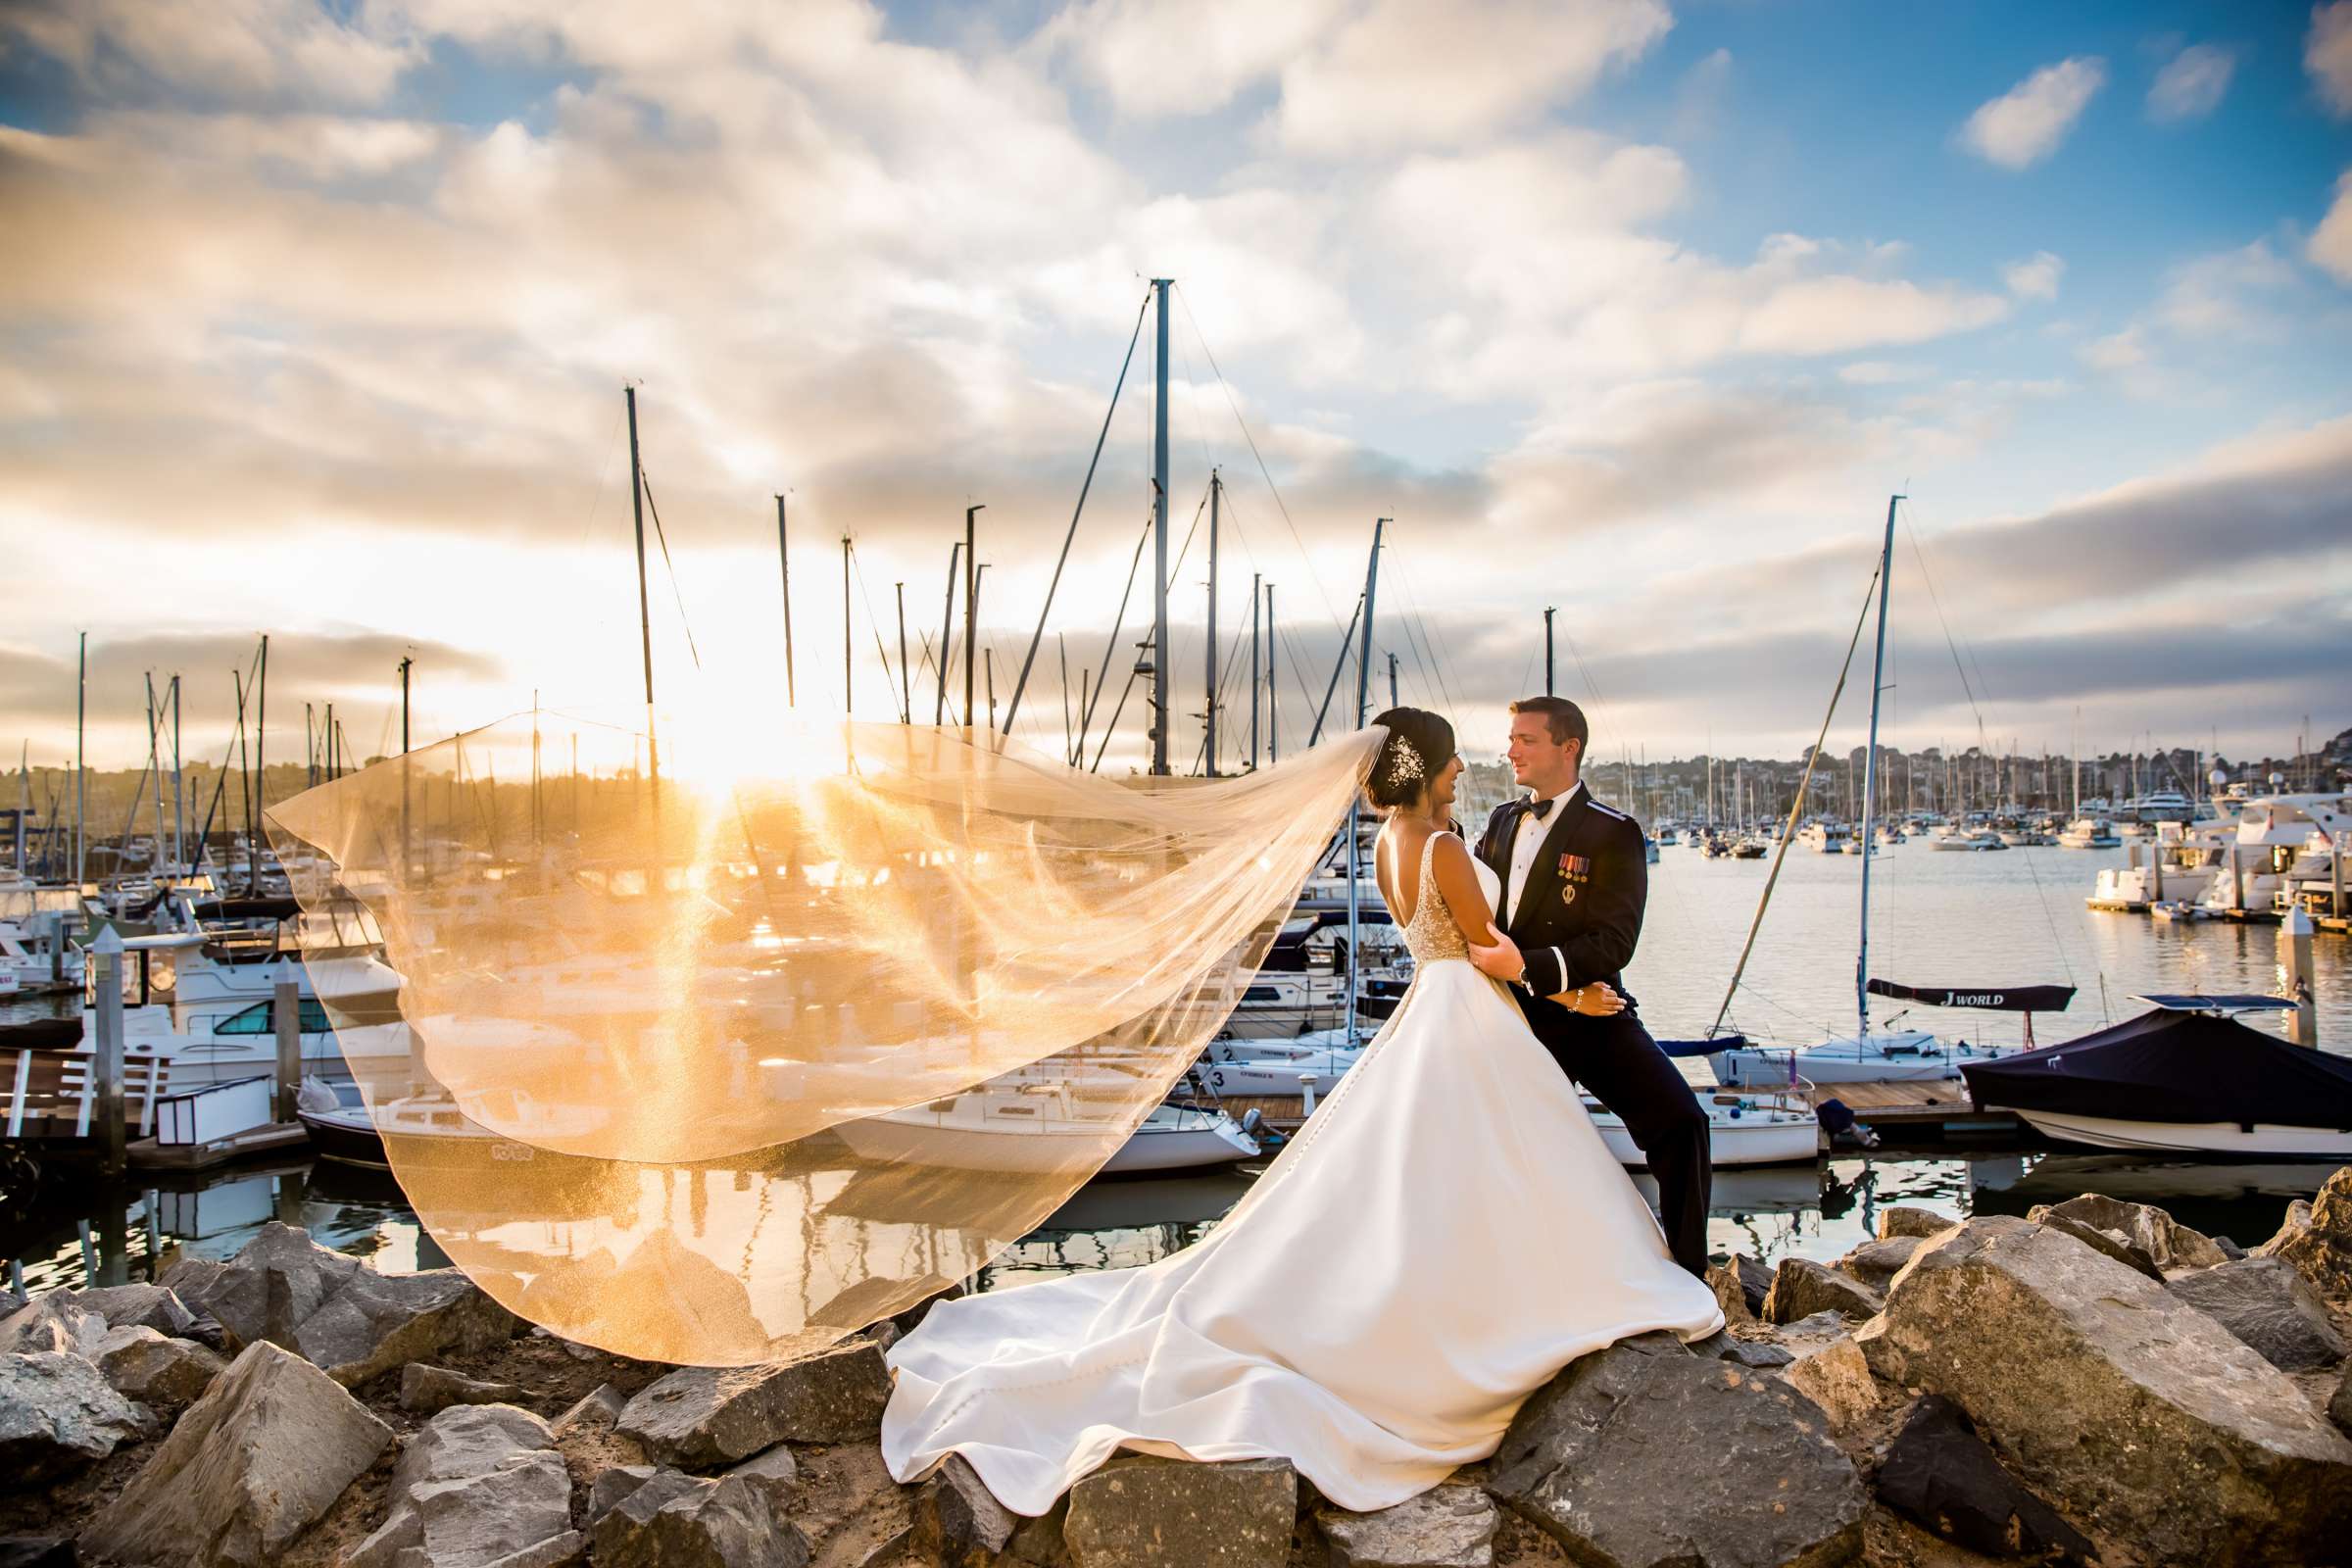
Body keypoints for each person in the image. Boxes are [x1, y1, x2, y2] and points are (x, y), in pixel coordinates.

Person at [880, 707, 1724, 1517]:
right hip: (1470, 1010)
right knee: (1494, 1163)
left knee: (1436, 1173)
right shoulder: (1447, 847)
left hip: (1433, 1013)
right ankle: (1509, 1306)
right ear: (1426, 768)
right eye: (1456, 756)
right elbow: (1484, 952)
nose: (1471, 764)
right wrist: (1576, 998)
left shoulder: (1393, 842)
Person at [1473, 696, 1714, 1276]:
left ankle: (1689, 1275)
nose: (1511, 751)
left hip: (1592, 1014)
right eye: (1511, 739)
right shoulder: (1503, 821)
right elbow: (1478, 921)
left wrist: (1534, 970)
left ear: (1568, 746)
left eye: (1526, 739)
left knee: (1684, 1124)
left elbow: (1614, 943)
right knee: (1501, 1150)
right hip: (1511, 1017)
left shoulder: (1614, 832)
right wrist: (1532, 981)